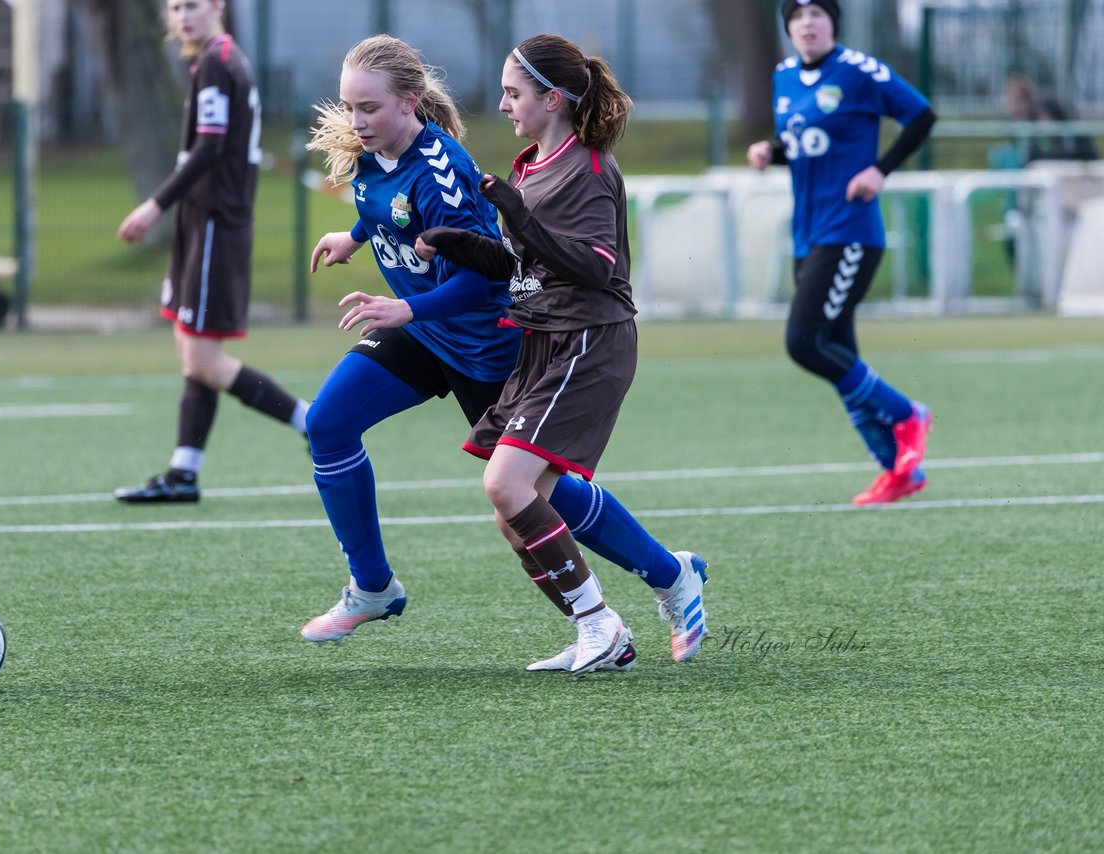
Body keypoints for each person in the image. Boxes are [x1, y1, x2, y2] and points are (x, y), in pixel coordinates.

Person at [301, 35, 706, 675]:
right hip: (425, 331)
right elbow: (387, 206)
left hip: (487, 344)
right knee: (327, 423)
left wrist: (406, 307)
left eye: (368, 108)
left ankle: (660, 577)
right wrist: (352, 235)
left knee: (534, 495)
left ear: (410, 104)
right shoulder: (372, 149)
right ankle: (374, 587)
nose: (354, 122)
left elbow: (488, 279)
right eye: (348, 106)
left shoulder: (448, 170)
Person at [113, 0, 309, 504]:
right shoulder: (211, 60)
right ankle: (184, 471)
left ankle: (312, 422)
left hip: (217, 222)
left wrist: (154, 206)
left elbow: (210, 146)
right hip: (202, 222)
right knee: (191, 349)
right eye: (175, 7)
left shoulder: (220, 62)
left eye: (192, 5)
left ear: (217, 7)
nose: (182, 16)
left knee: (203, 358)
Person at [747, 0, 935, 505]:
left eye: (817, 13)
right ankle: (898, 470)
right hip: (808, 235)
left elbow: (921, 115)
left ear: (833, 23)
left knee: (804, 342)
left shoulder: (857, 70)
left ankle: (906, 415)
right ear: (787, 28)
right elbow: (805, 142)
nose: (807, 22)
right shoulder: (784, 75)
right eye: (797, 15)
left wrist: (880, 169)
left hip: (849, 230)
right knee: (840, 356)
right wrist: (772, 151)